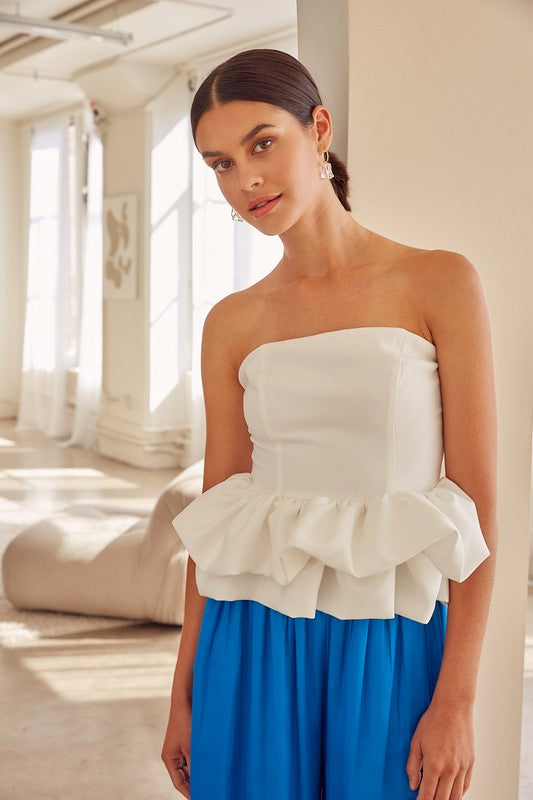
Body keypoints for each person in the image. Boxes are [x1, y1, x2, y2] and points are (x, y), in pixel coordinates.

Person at [161, 48, 497, 800]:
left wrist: (458, 699)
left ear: (318, 128)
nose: (243, 179)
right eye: (218, 163)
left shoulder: (438, 282)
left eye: (261, 143)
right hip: (247, 638)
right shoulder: (232, 322)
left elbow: (477, 510)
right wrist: (183, 691)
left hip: (388, 635)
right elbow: (217, 513)